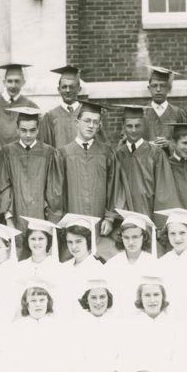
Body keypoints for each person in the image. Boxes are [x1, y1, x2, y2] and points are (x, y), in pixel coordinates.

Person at [50, 99, 125, 260]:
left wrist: (110, 218)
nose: (91, 125)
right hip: (72, 224)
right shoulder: (63, 153)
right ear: (77, 122)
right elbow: (56, 192)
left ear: (99, 126)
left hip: (100, 225)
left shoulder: (106, 153)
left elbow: (115, 187)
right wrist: (61, 224)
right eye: (87, 121)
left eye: (95, 122)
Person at [0, 107, 59, 257]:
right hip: (17, 217)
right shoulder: (7, 152)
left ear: (38, 130)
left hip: (41, 217)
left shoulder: (49, 152)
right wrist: (9, 220)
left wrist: (49, 220)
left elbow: (54, 190)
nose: (28, 135)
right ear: (17, 130)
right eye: (23, 130)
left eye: (32, 130)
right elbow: (4, 187)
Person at [114, 105, 181, 234]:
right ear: (123, 127)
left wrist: (161, 224)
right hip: (125, 219)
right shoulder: (117, 155)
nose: (133, 130)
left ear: (143, 126)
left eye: (137, 126)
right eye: (129, 126)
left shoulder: (156, 154)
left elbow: (165, 193)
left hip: (150, 217)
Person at [104, 209, 159, 307]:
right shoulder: (112, 264)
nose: (130, 242)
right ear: (121, 237)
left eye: (135, 237)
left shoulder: (153, 263)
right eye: (126, 237)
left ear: (144, 237)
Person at [0, 63, 40, 151]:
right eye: (10, 81)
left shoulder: (30, 106)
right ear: (4, 82)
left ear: (23, 82)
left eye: (17, 81)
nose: (13, 86)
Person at [39, 65, 103, 149]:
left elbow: (100, 145)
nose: (68, 90)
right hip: (60, 161)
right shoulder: (50, 116)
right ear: (59, 89)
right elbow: (46, 147)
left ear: (79, 89)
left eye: (71, 87)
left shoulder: (89, 113)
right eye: (64, 87)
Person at [53, 214, 104, 316]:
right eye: (70, 242)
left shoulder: (98, 268)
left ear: (88, 241)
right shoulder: (63, 268)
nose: (74, 246)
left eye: (78, 241)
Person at [156, 208, 187, 305]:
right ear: (167, 235)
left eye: (182, 233)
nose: (177, 238)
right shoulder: (162, 262)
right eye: (172, 233)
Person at [141, 66, 187, 154]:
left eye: (162, 86)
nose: (158, 90)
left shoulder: (179, 114)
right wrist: (147, 145)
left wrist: (170, 145)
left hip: (172, 166)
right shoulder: (139, 114)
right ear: (149, 89)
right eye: (154, 86)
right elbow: (126, 145)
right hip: (146, 166)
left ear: (169, 88)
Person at [15, 217, 61, 290]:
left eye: (41, 239)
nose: (37, 243)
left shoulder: (57, 266)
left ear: (48, 241)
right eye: (33, 239)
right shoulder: (20, 266)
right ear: (28, 241)